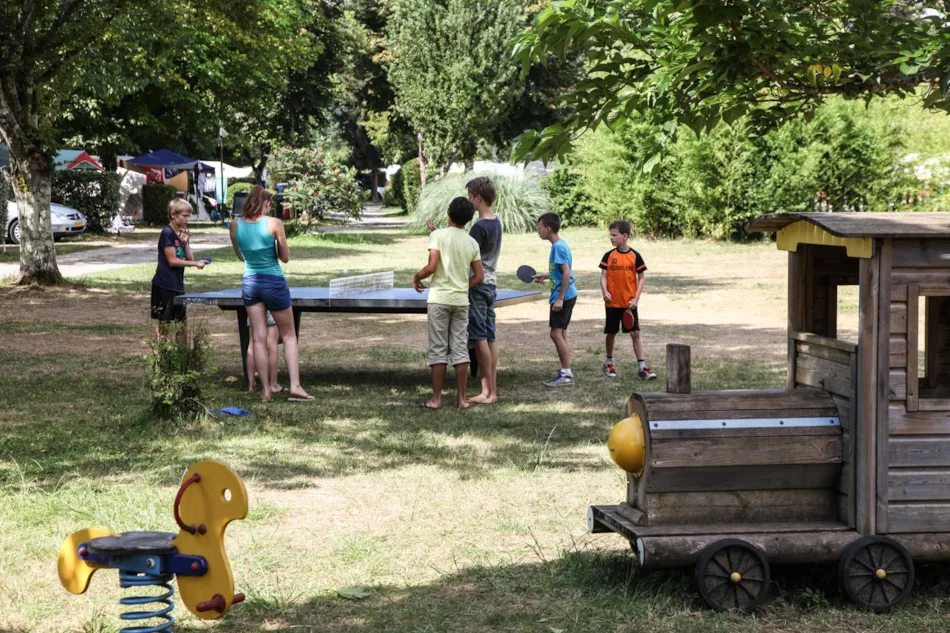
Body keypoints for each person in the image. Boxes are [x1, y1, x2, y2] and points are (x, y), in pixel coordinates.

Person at [229, 185, 313, 402]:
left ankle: (265, 390)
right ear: (266, 204)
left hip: (250, 283)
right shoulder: (274, 223)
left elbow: (240, 256)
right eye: (270, 204)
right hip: (273, 282)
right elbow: (285, 257)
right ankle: (295, 385)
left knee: (257, 338)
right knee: (288, 335)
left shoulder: (235, 224)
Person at [413, 197, 484, 410]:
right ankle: (462, 399)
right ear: (468, 220)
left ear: (448, 215)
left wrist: (417, 277)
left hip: (439, 300)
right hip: (461, 302)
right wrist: (462, 286)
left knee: (438, 348)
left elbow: (431, 267)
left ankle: (436, 399)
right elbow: (479, 276)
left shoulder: (437, 235)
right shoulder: (472, 242)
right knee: (460, 349)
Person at [599, 220, 656, 380]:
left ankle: (642, 367)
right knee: (611, 333)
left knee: (635, 333)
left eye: (614, 235)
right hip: (612, 303)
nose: (611, 238)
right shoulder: (609, 255)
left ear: (624, 236)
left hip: (629, 304)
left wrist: (636, 298)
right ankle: (608, 362)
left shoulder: (634, 256)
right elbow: (603, 276)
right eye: (610, 235)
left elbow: (642, 277)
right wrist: (605, 291)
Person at [464, 177, 502, 404]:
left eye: (470, 197)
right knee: (490, 337)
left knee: (479, 339)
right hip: (491, 284)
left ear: (478, 198)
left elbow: (466, 254)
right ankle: (491, 391)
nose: (469, 200)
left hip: (477, 285)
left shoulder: (479, 227)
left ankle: (488, 392)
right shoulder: (496, 221)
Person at [150, 199, 207, 342]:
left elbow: (189, 257)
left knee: (182, 325)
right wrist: (195, 264)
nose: (188, 219)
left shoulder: (179, 234)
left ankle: (182, 360)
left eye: (189, 216)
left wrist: (185, 243)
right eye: (185, 215)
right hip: (164, 285)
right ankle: (163, 360)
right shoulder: (167, 233)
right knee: (164, 326)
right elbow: (172, 261)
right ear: (173, 215)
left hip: (177, 285)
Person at [533, 212, 577, 387]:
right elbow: (560, 272)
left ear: (548, 228)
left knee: (555, 333)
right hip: (568, 294)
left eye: (539, 227)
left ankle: (567, 374)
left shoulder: (557, 247)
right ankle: (565, 370)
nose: (538, 231)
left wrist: (559, 299)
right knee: (561, 333)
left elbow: (567, 273)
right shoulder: (561, 244)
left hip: (563, 297)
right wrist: (546, 275)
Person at [246, 310, 282, 393]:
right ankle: (273, 385)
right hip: (271, 309)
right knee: (272, 346)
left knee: (252, 346)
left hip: (254, 309)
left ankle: (251, 384)